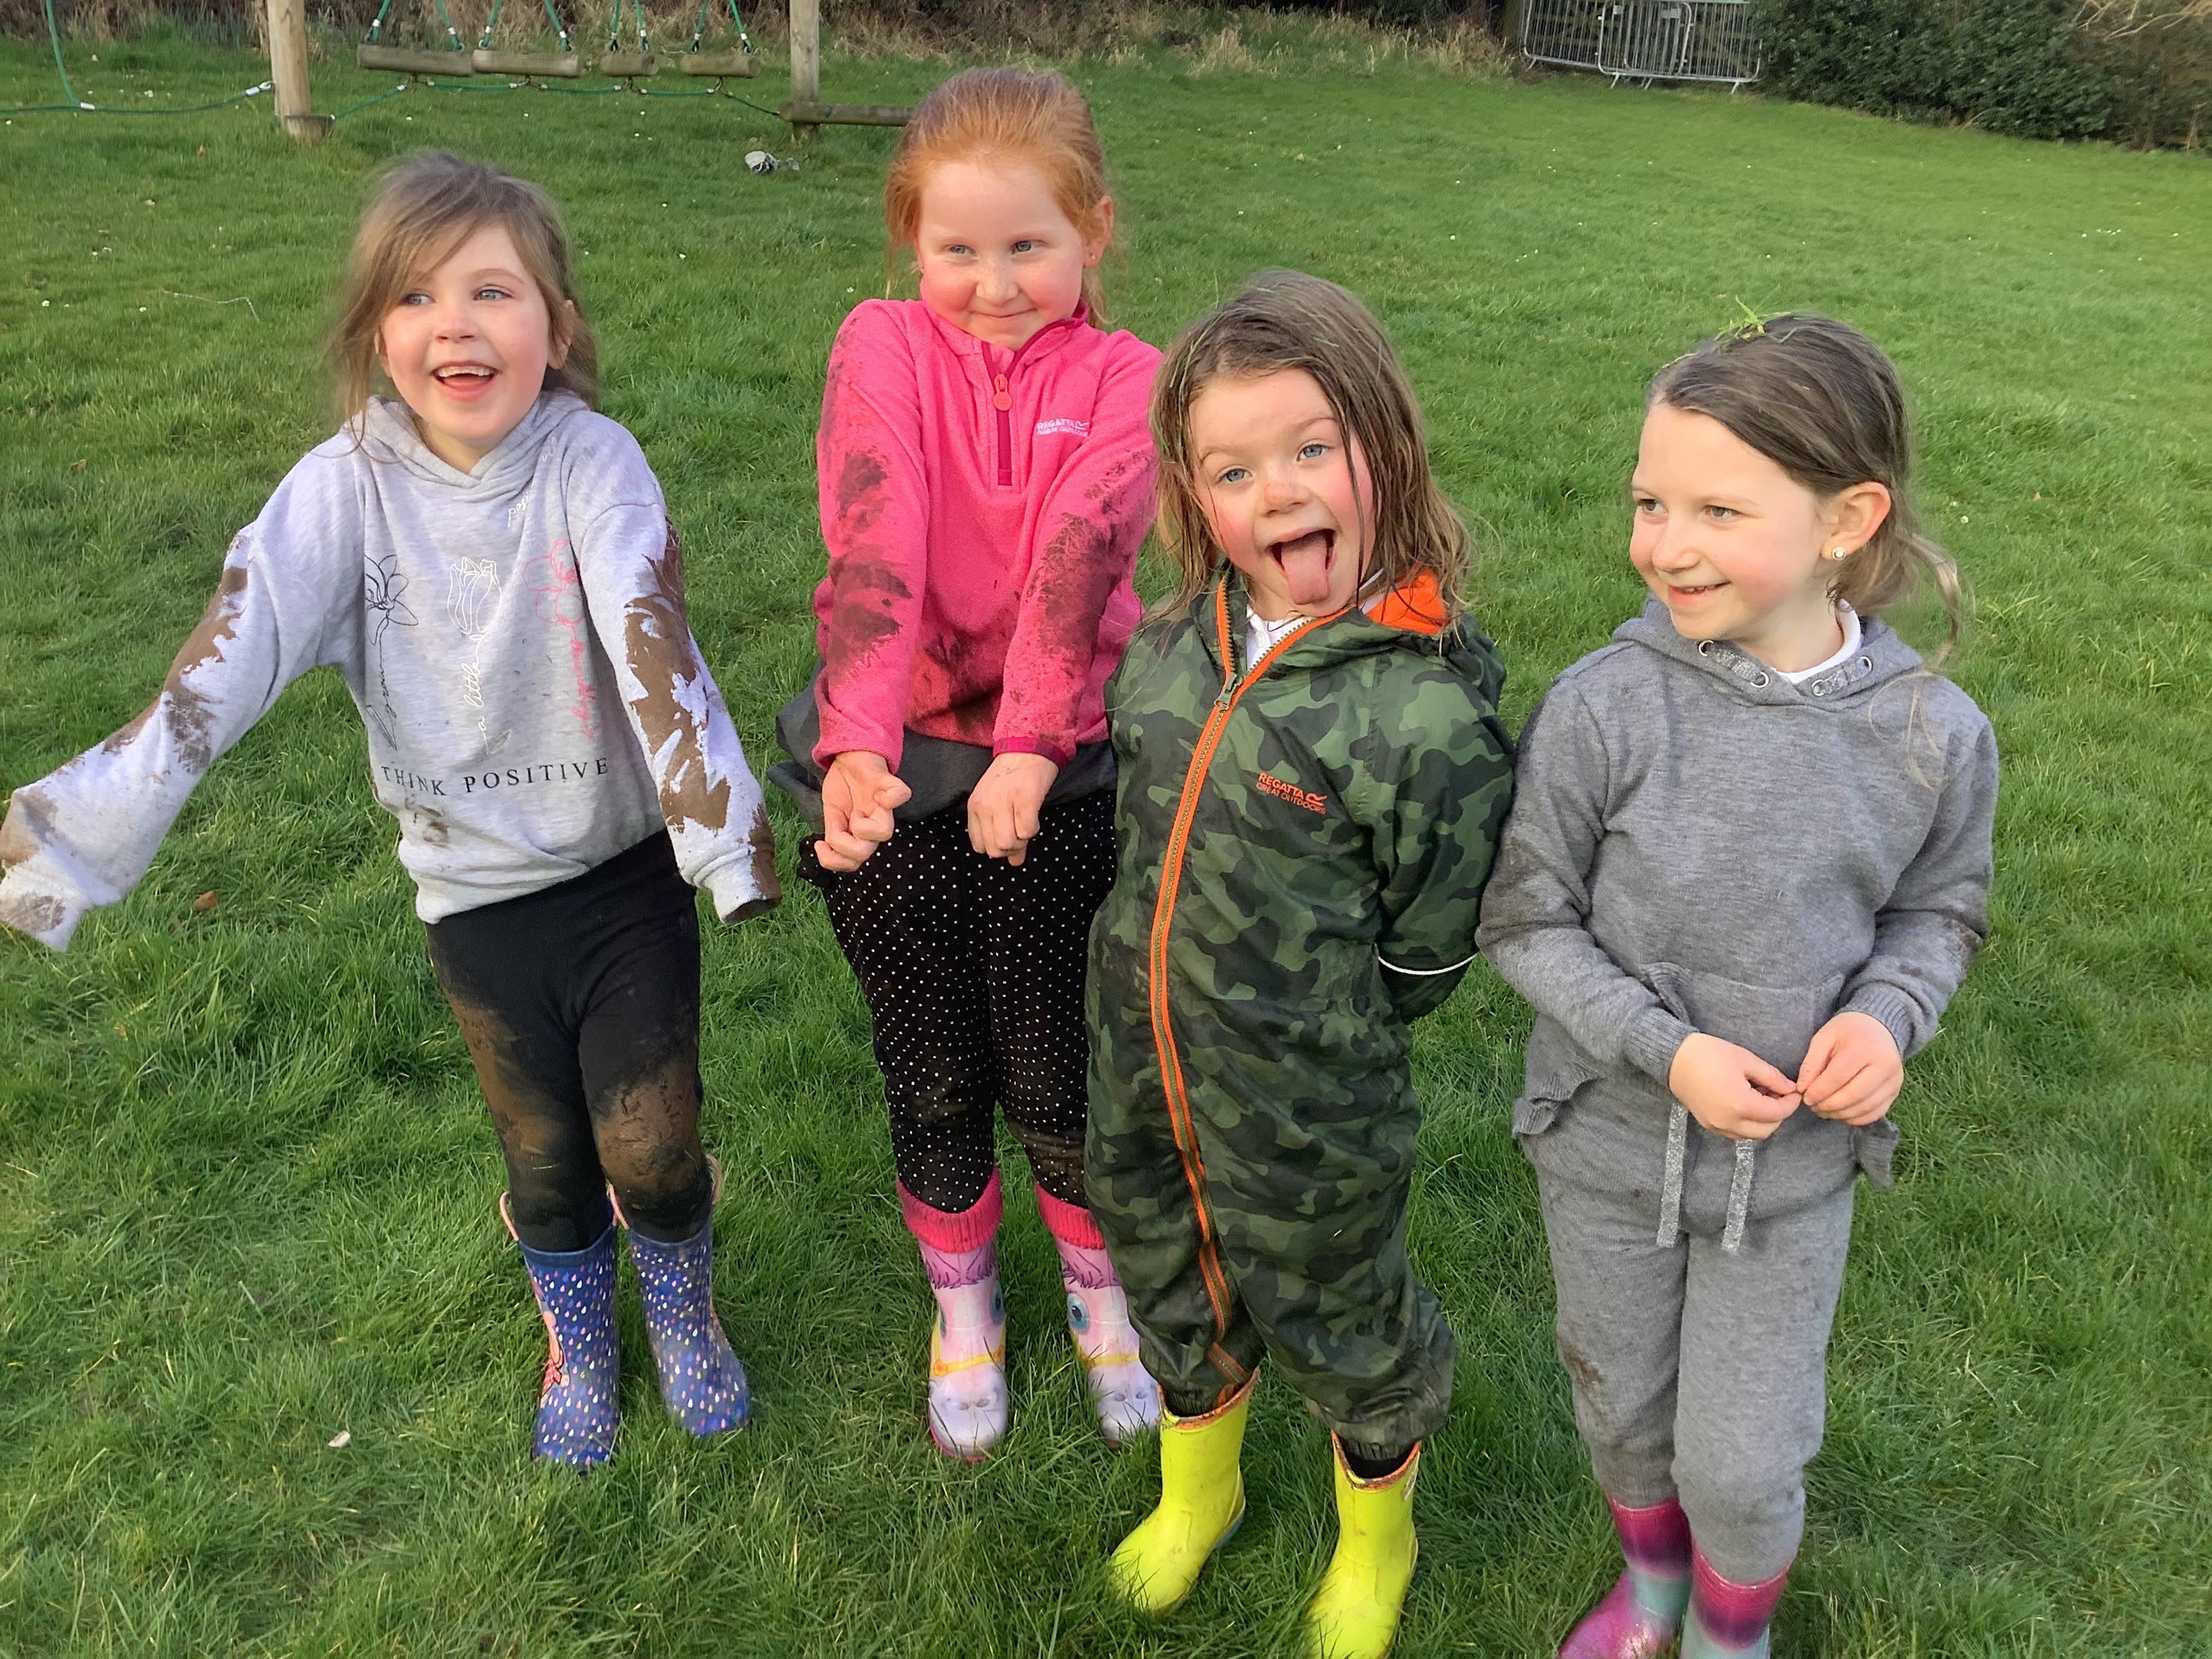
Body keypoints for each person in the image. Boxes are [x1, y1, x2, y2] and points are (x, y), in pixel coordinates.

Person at [0, 152, 778, 1471]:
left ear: (558, 328)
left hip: (622, 873)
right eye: (416, 296)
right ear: (374, 334)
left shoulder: (592, 462)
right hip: (473, 898)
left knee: (651, 1142)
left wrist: (723, 836)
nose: (454, 325)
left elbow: (647, 624)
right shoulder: (340, 491)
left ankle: (684, 1312)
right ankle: (581, 1343)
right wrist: (67, 840)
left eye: (492, 291)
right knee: (546, 1159)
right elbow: (223, 664)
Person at [1476, 314, 1999, 1658]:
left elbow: (1939, 911)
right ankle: (1653, 1590)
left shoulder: (1932, 736)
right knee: (1621, 1409)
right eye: (1649, 502)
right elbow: (1523, 916)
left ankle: (1729, 1632)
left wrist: (1887, 1017)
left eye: (1718, 510)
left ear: (1846, 521)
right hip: (1604, 1150)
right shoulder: (1604, 706)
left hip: (1793, 1177)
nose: (1667, 544)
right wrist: (1668, 1052)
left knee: (1745, 1460)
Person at [1086, 272, 1515, 1659]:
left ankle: (1376, 1545)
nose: (1277, 494)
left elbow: (1432, 941)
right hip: (1140, 1065)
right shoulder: (1168, 649)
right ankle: (1197, 1497)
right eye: (1233, 471)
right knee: (1165, 1269)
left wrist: (1321, 1023)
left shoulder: (1428, 711)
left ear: (1385, 444)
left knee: (1342, 1314)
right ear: (1193, 496)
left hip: (1310, 1099)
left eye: (1312, 449)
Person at [766, 67, 1162, 1460]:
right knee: (930, 1066)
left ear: (1094, 231)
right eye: (958, 250)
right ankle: (965, 1309)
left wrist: (1031, 747)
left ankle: (1101, 1292)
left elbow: (1077, 559)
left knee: (1056, 1063)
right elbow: (878, 537)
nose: (994, 285)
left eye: (1028, 246)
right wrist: (857, 749)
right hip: (902, 765)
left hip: (1063, 773)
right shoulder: (879, 344)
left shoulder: (1132, 378)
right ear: (910, 240)